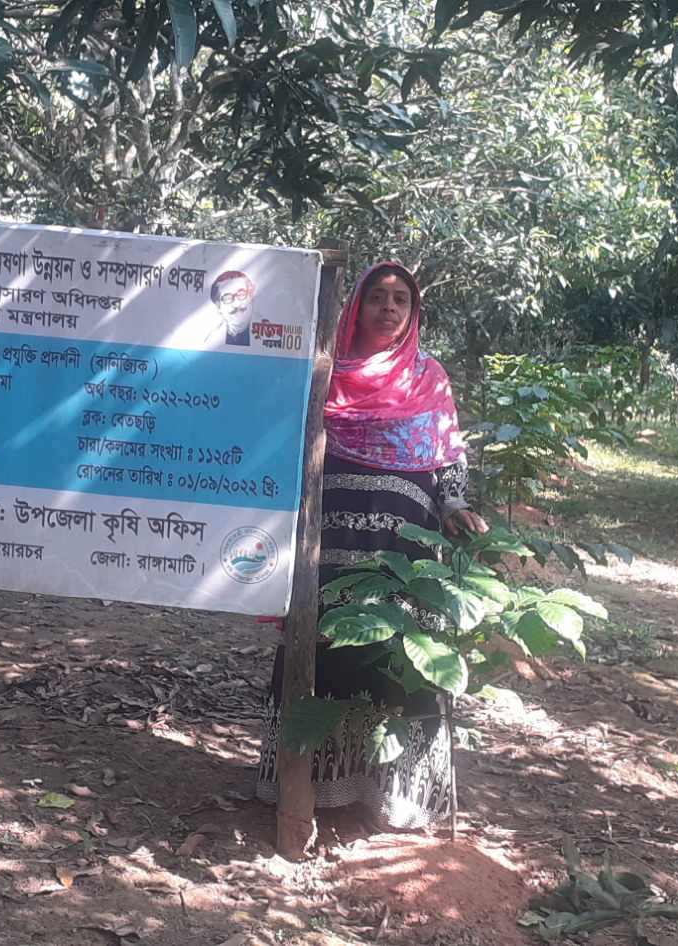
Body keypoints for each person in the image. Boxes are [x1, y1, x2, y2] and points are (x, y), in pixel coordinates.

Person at [255, 261, 488, 830]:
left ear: (413, 312)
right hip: (329, 538)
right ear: (357, 306)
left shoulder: (428, 376)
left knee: (397, 651)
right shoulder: (326, 369)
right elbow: (290, 441)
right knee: (327, 644)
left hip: (403, 544)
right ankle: (309, 783)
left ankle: (392, 794)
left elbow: (447, 451)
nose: (389, 308)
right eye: (379, 296)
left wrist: (455, 506)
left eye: (400, 299)